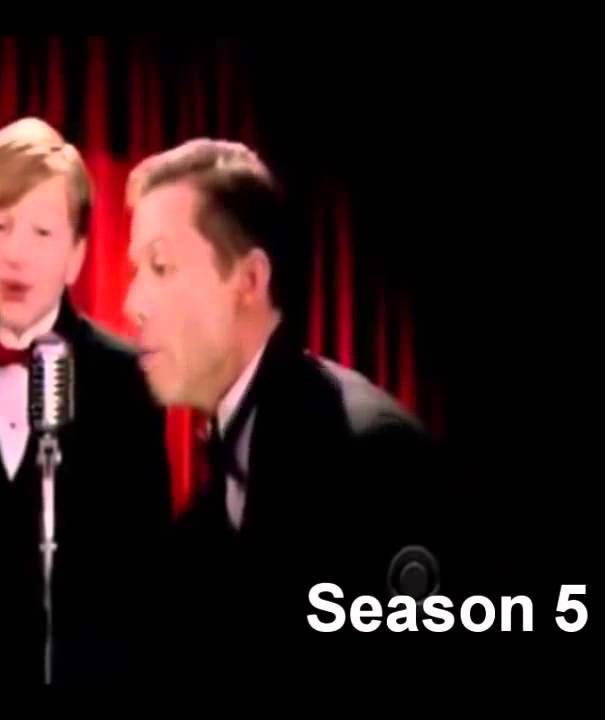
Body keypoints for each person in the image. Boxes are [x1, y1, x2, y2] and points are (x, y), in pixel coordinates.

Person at [122, 139, 437, 679]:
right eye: (137, 270)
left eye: (161, 266)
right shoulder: (205, 512)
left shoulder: (368, 452)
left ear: (249, 280)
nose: (132, 304)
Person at [0, 118, 173, 684]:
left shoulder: (128, 381)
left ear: (78, 254)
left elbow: (148, 582)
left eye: (42, 233)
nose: (16, 255)